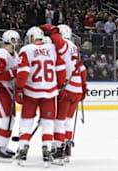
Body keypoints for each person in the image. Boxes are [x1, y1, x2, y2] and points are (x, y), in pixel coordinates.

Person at [15, 26, 66, 167]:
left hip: (31, 92)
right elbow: (61, 69)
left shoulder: (26, 50)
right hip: (49, 93)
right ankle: (47, 150)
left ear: (31, 38)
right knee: (48, 123)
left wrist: (19, 87)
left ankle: (23, 149)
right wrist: (61, 87)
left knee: (26, 121)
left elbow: (23, 71)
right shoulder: (52, 48)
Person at [41, 24, 87, 164]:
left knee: (59, 120)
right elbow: (83, 70)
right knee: (67, 120)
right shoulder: (75, 47)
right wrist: (83, 87)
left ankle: (58, 150)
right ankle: (67, 149)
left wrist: (50, 29)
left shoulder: (65, 45)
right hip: (77, 88)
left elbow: (56, 37)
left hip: (67, 88)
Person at [0, 30, 20, 162]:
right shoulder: (0, 53)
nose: (17, 43)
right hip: (0, 89)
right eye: (15, 40)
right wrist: (14, 73)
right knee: (7, 119)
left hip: (9, 90)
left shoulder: (15, 54)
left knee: (11, 119)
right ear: (11, 40)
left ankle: (3, 146)